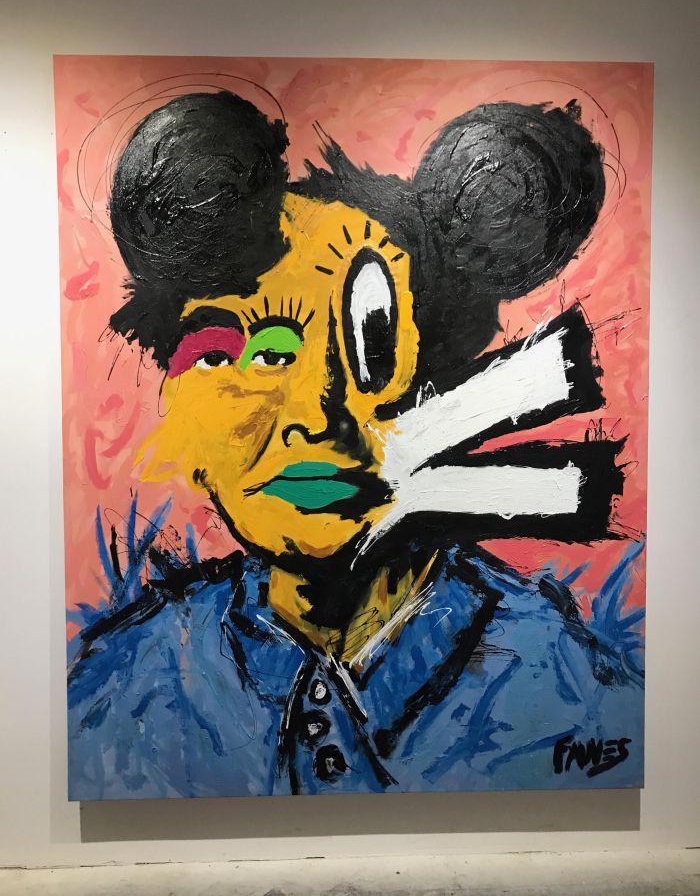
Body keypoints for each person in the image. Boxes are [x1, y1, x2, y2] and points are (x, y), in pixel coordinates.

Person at [67, 91, 644, 799]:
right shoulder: (121, 693)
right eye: (245, 354)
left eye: (371, 345)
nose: (316, 419)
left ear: (443, 368)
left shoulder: (567, 689)